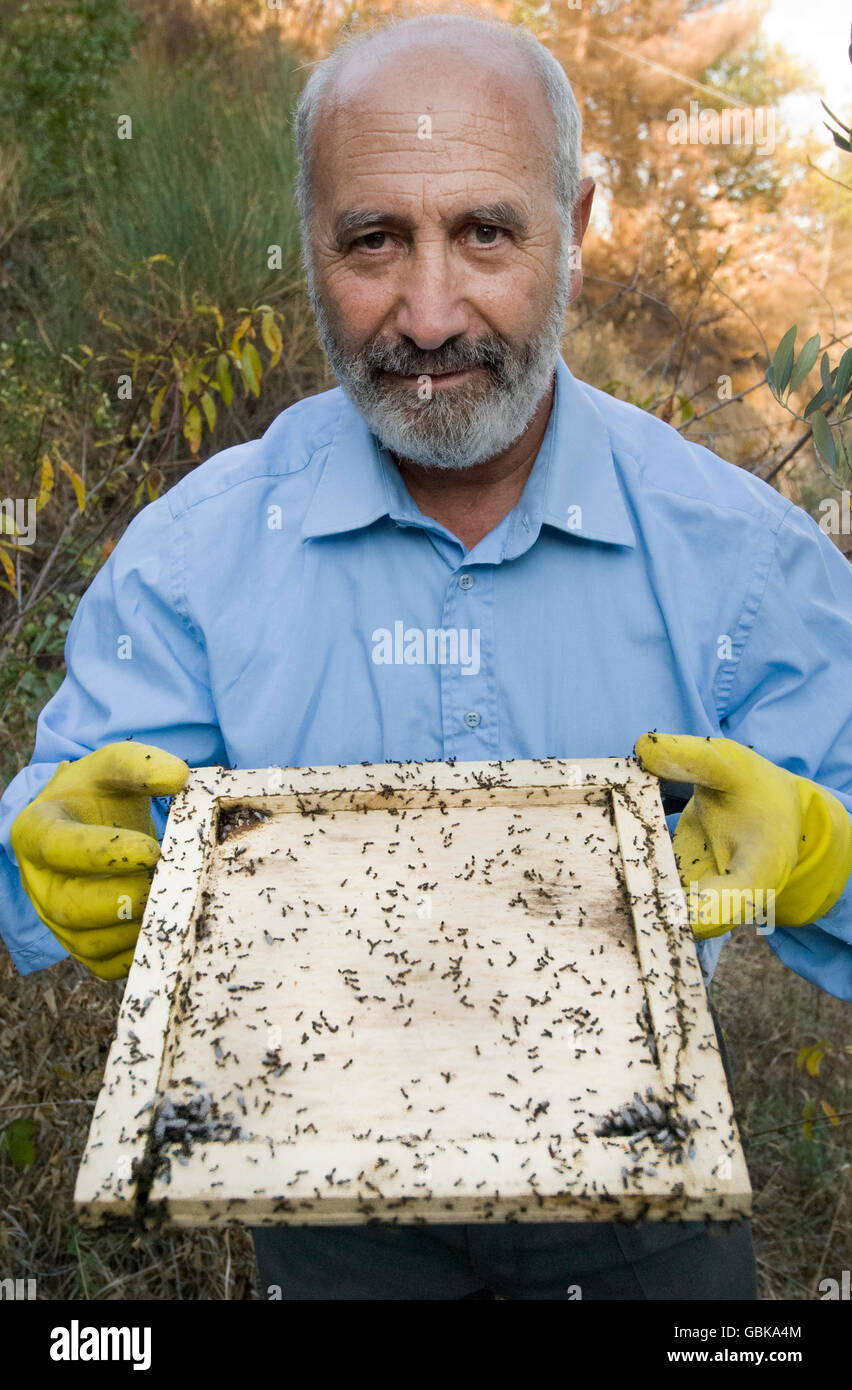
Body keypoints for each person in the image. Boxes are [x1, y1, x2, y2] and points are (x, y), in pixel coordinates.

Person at [2, 12, 851, 1300]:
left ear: (578, 223)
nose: (433, 311)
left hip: (647, 1221)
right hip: (328, 1219)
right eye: (374, 240)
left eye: (488, 232)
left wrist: (823, 849)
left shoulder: (742, 560)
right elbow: (52, 833)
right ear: (310, 249)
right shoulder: (194, 557)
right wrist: (43, 850)